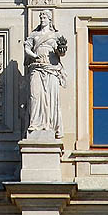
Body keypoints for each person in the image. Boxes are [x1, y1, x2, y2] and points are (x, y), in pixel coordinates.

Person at [24, 9, 67, 138]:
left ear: (49, 20)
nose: (42, 19)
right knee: (35, 96)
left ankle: (49, 125)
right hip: (37, 68)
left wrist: (61, 49)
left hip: (51, 69)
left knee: (50, 99)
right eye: (41, 17)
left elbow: (61, 53)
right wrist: (34, 55)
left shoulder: (55, 36)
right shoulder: (34, 35)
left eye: (44, 17)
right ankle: (35, 123)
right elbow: (26, 48)